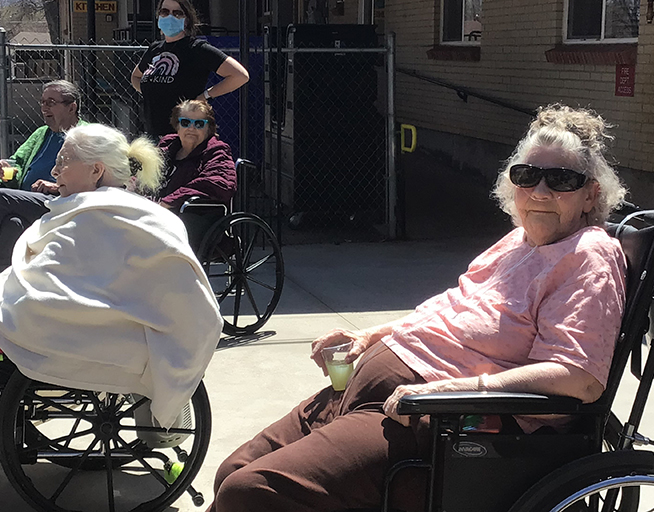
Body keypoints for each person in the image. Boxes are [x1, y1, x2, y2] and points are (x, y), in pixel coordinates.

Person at [207, 104, 629, 512]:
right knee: (232, 472)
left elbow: (579, 376)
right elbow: (453, 308)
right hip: (382, 396)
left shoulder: (587, 254)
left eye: (560, 179)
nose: (539, 191)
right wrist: (370, 336)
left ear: (591, 195)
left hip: (438, 423)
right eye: (527, 175)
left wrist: (446, 391)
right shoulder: (518, 241)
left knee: (250, 494)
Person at [0, 123, 223, 427]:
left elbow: (46, 288)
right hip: (81, 316)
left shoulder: (99, 215)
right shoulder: (123, 210)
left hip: (62, 323)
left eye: (62, 162)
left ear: (95, 170)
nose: (54, 172)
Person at [0, 80, 86, 276]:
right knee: (12, 221)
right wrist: (8, 169)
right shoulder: (42, 133)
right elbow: (18, 161)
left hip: (61, 203)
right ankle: (5, 275)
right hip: (30, 202)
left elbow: (93, 180)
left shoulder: (84, 136)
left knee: (1, 197)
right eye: (42, 102)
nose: (44, 108)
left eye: (51, 102)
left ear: (71, 107)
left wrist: (57, 186)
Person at [130, 0, 250, 139]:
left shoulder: (197, 49)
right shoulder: (154, 49)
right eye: (164, 11)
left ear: (186, 20)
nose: (170, 16)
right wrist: (151, 91)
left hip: (185, 139)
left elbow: (240, 75)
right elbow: (135, 77)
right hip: (153, 137)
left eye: (177, 13)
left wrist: (204, 96)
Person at [157, 99, 237, 249]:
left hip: (189, 218)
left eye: (199, 124)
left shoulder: (216, 152)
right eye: (186, 122)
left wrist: (169, 201)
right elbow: (142, 173)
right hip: (155, 212)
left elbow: (218, 183)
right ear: (177, 126)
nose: (191, 128)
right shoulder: (166, 147)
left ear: (208, 129)